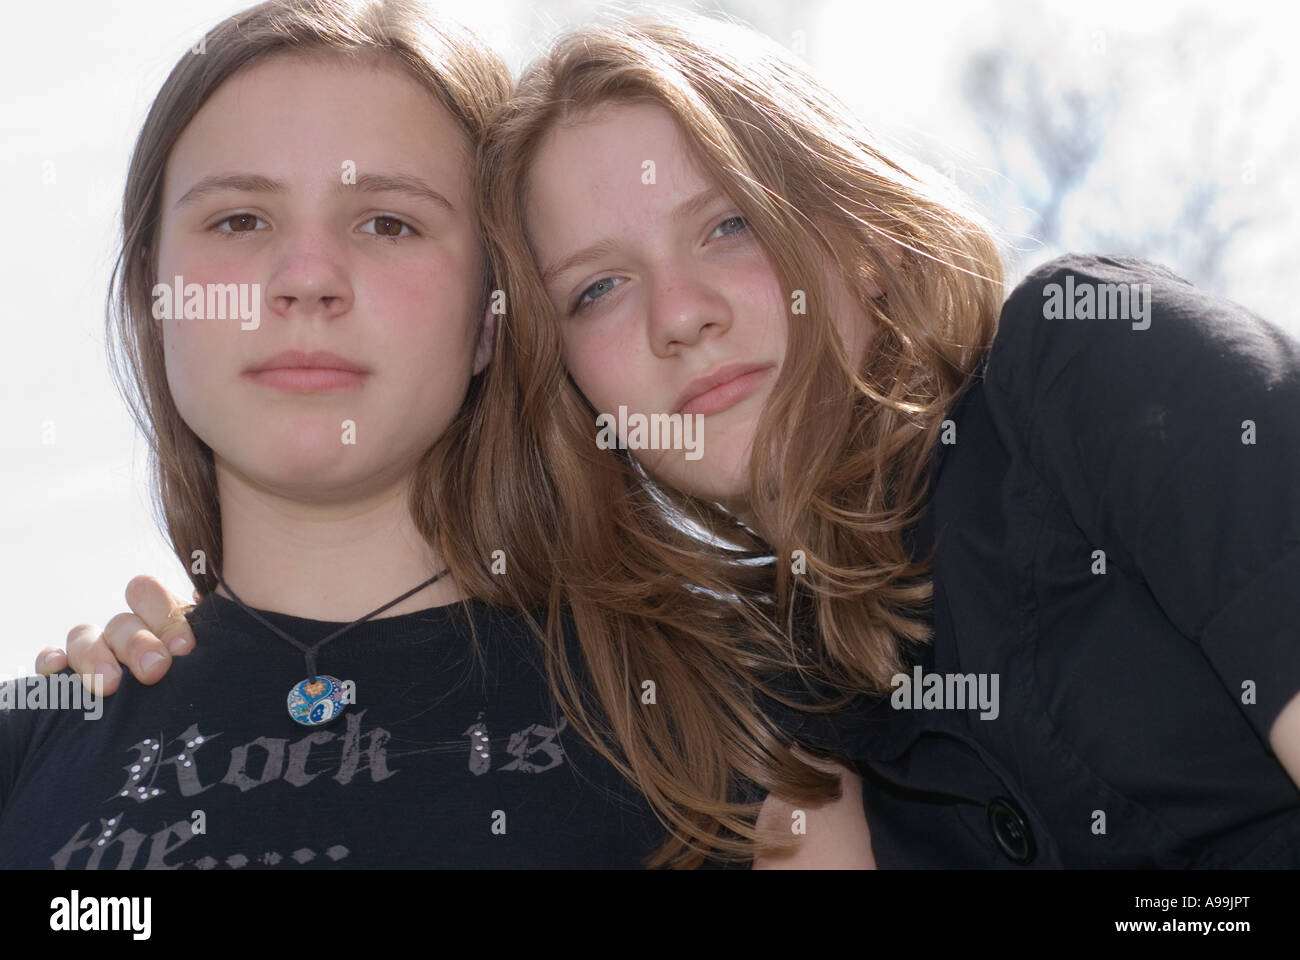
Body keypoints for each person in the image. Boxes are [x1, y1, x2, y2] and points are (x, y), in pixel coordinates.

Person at [48, 11, 1300, 867]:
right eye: (594, 288)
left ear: (857, 224)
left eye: (728, 227)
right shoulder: (767, 686)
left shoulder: (1089, 368)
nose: (681, 316)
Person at [5, 0, 870, 870]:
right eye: (239, 220)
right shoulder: (34, 745)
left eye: (389, 222)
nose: (307, 280)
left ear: (494, 318)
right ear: (153, 303)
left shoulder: (742, 723)